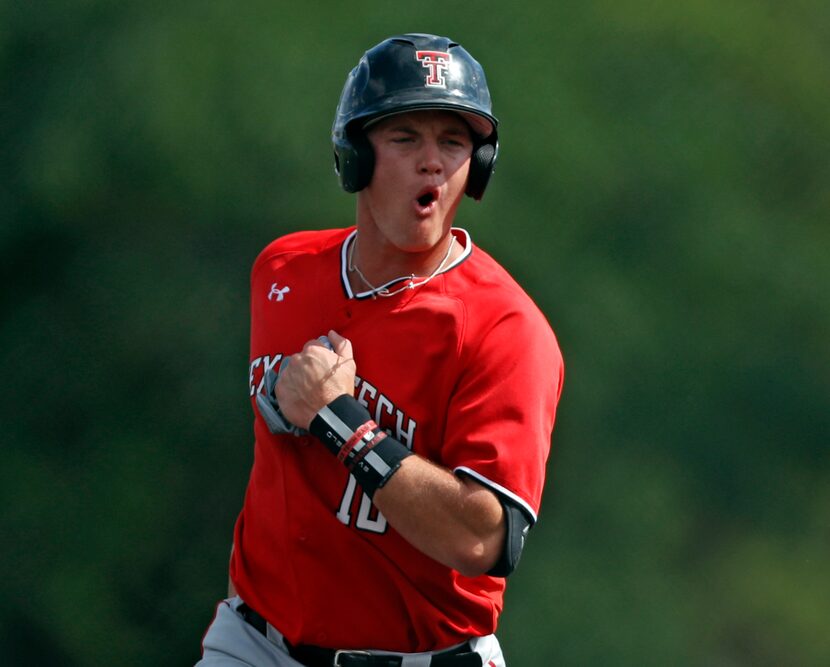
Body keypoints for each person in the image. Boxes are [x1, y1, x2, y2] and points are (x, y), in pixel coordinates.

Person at [197, 33, 564, 667]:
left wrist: (342, 422)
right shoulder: (282, 271)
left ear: (477, 166)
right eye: (405, 138)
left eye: (453, 142)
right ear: (355, 156)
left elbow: (484, 539)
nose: (433, 163)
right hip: (255, 645)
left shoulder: (505, 328)